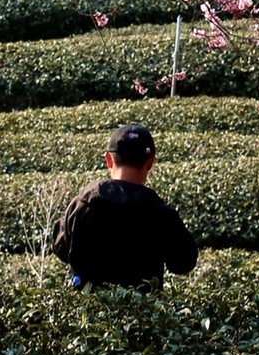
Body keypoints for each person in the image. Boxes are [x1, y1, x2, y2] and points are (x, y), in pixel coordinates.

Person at [47, 123, 198, 290]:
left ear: (109, 160)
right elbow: (184, 263)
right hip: (143, 312)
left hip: (87, 309)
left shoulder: (82, 204)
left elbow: (60, 248)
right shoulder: (161, 213)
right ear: (150, 162)